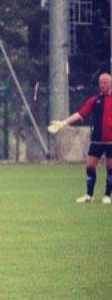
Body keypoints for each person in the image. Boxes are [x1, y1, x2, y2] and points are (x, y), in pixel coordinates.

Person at [48, 72, 112, 205]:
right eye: (101, 82)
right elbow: (80, 114)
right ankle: (89, 195)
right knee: (90, 165)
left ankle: (107, 195)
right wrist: (63, 123)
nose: (102, 85)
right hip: (97, 140)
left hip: (110, 141)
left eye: (105, 82)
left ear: (110, 84)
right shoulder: (95, 100)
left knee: (110, 167)